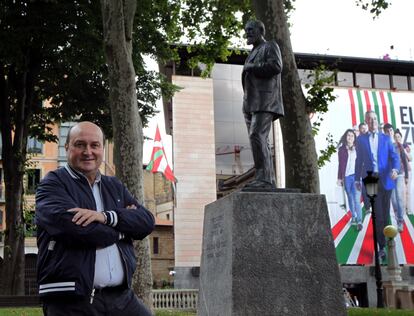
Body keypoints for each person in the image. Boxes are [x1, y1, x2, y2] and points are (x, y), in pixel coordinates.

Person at [35, 122, 155, 316]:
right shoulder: (52, 184)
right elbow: (76, 230)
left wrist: (105, 217)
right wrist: (124, 229)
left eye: (94, 145)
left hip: (121, 298)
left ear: (102, 148)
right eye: (80, 144)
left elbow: (146, 221)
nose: (87, 151)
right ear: (67, 148)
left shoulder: (114, 185)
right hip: (71, 300)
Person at [241, 20, 284, 190]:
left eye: (251, 30)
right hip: (250, 103)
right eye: (246, 30)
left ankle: (265, 179)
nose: (247, 33)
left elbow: (276, 66)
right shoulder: (253, 52)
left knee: (256, 135)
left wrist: (253, 66)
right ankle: (264, 177)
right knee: (258, 140)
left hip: (265, 101)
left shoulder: (270, 46)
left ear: (260, 30)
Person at [355, 111, 399, 261]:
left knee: (385, 214)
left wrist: (395, 169)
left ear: (377, 121)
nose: (372, 121)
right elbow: (358, 160)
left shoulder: (386, 139)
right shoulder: (360, 140)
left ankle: (389, 241)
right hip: (371, 179)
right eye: (369, 119)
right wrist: (356, 179)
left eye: (374, 119)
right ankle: (381, 247)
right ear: (366, 122)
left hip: (386, 179)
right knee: (377, 215)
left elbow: (394, 157)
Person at [337, 129, 363, 231]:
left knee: (357, 199)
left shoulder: (358, 149)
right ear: (345, 137)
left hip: (357, 177)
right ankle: (353, 217)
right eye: (348, 135)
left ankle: (359, 221)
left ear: (354, 138)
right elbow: (340, 165)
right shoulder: (342, 150)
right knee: (350, 199)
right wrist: (339, 178)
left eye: (352, 136)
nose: (350, 137)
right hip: (347, 177)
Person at [391, 129, 410, 232]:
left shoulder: (402, 147)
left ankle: (400, 221)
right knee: (393, 199)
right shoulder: (391, 146)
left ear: (401, 138)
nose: (397, 138)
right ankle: (398, 213)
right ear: (394, 138)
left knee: (399, 197)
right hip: (391, 175)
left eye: (399, 137)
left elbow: (405, 161)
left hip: (400, 174)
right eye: (396, 137)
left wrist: (406, 175)